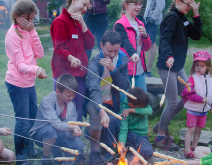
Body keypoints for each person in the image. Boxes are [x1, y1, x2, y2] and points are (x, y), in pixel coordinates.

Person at [154, 0, 202, 151]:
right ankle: (161, 137)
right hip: (167, 66)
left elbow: (196, 35)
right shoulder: (172, 17)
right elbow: (164, 39)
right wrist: (168, 55)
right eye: (187, 3)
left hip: (178, 67)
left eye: (191, 4)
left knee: (188, 95)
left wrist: (196, 15)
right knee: (173, 102)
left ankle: (161, 125)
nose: (189, 6)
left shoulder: (183, 17)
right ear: (177, 1)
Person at [5, 0, 47, 163]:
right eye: (27, 19)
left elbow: (40, 53)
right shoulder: (12, 35)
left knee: (31, 118)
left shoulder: (29, 30)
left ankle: (29, 148)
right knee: (22, 121)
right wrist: (35, 70)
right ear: (17, 16)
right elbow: (20, 64)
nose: (30, 22)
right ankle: (20, 153)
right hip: (17, 83)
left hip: (29, 83)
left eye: (33, 19)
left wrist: (33, 32)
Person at [85, 30, 130, 164]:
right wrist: (101, 111)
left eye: (115, 51)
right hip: (95, 101)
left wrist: (113, 69)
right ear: (101, 45)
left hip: (113, 102)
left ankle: (109, 150)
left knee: (113, 121)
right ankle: (95, 151)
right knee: (96, 115)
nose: (112, 55)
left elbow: (124, 85)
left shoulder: (122, 59)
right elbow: (94, 90)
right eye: (109, 51)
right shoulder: (94, 62)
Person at [50, 0, 95, 123]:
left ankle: (75, 139)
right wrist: (71, 58)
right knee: (62, 110)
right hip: (64, 75)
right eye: (84, 4)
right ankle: (61, 140)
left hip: (79, 75)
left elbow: (90, 44)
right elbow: (59, 47)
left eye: (87, 6)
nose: (85, 8)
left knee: (77, 109)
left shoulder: (79, 21)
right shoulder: (60, 21)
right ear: (74, 1)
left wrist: (83, 24)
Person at [29, 74, 84, 165]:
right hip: (41, 136)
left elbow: (69, 131)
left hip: (60, 135)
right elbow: (56, 123)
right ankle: (46, 159)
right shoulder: (47, 101)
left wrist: (73, 134)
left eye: (73, 95)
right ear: (58, 92)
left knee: (78, 144)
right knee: (51, 130)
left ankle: (59, 157)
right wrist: (71, 127)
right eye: (68, 95)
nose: (71, 98)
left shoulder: (71, 105)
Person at [105, 87, 153, 161]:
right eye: (140, 108)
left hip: (140, 136)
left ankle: (130, 149)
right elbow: (123, 130)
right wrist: (122, 144)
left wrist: (132, 110)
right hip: (128, 135)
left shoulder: (141, 103)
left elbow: (149, 111)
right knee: (112, 119)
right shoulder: (124, 111)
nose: (144, 108)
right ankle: (111, 149)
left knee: (148, 152)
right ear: (130, 104)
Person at [114, 0, 152, 93]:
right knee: (125, 100)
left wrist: (145, 36)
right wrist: (133, 53)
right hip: (125, 69)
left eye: (140, 4)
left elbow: (146, 48)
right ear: (126, 6)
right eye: (135, 4)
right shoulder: (119, 25)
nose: (139, 7)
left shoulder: (140, 24)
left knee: (143, 100)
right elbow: (124, 42)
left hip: (139, 69)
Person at [180, 51, 212, 158]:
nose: (199, 68)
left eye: (202, 66)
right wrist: (199, 99)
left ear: (208, 66)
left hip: (204, 111)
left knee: (198, 130)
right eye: (197, 65)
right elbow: (188, 92)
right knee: (191, 129)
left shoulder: (211, 78)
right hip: (193, 109)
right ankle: (187, 150)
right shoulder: (192, 78)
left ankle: (195, 148)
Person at [136, 0, 165, 77]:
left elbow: (160, 5)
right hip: (137, 15)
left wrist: (152, 18)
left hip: (149, 18)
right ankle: (136, 67)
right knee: (135, 41)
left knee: (151, 42)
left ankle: (148, 70)